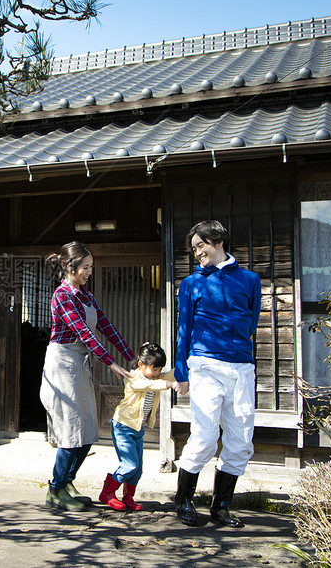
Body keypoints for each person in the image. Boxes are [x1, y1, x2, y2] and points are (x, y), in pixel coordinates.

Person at [172, 219, 261, 528]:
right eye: (194, 248)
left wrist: (237, 348)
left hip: (241, 367)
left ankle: (220, 506)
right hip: (205, 365)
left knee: (241, 441)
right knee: (206, 436)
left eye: (202, 245)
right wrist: (181, 372)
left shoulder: (250, 279)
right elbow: (184, 330)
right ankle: (183, 500)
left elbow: (251, 323)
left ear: (219, 241)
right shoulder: (191, 284)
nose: (198, 252)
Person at [40, 241, 135, 511]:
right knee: (71, 431)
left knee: (87, 430)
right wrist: (112, 364)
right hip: (63, 366)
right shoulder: (62, 295)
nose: (89, 272)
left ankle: (68, 482)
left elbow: (105, 325)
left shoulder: (86, 296)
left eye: (91, 268)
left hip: (80, 365)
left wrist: (129, 355)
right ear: (70, 267)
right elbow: (84, 333)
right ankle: (55, 489)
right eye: (85, 267)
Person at [99, 342, 175, 511]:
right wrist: (168, 385)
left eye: (159, 370)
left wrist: (186, 365)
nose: (157, 374)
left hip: (137, 429)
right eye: (154, 369)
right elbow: (147, 385)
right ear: (141, 365)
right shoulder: (134, 378)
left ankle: (128, 497)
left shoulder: (155, 377)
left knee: (138, 468)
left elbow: (170, 375)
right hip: (123, 426)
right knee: (129, 464)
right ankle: (107, 493)